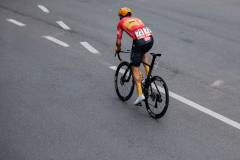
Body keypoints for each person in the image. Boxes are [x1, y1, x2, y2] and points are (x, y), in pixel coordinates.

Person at [115, 7, 154, 105]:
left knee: (135, 67)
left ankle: (140, 95)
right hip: (150, 39)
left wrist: (118, 48)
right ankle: (149, 76)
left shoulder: (121, 23)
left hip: (139, 42)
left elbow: (119, 41)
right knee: (144, 53)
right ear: (130, 14)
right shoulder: (137, 19)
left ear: (121, 16)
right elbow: (142, 33)